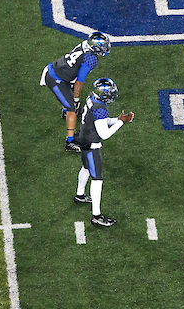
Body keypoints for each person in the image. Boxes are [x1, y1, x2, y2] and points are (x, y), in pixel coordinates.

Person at [73, 78, 134, 228]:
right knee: (97, 179)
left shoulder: (92, 97)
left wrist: (116, 120)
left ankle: (80, 195)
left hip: (83, 137)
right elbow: (104, 133)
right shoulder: (100, 107)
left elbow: (99, 121)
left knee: (86, 168)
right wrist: (121, 122)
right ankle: (96, 216)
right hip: (92, 144)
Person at [40, 31, 111, 152]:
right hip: (56, 78)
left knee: (70, 95)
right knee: (72, 109)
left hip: (59, 71)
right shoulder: (91, 58)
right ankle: (70, 142)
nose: (105, 48)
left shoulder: (84, 45)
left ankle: (65, 111)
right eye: (103, 46)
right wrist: (76, 99)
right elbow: (79, 82)